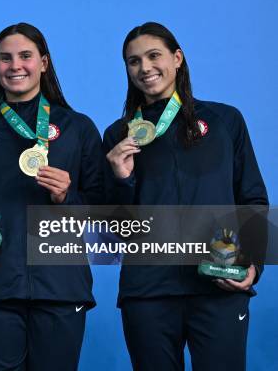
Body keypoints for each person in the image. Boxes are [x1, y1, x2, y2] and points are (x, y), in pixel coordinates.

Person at [103, 22, 268, 370]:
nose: (145, 68)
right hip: (148, 292)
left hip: (218, 285)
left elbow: (251, 199)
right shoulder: (119, 135)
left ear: (177, 58)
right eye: (133, 61)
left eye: (153, 56)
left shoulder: (225, 120)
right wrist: (121, 178)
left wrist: (252, 263)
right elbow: (115, 231)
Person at [0, 23, 103, 370]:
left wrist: (67, 198)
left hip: (62, 289)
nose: (15, 65)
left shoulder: (78, 128)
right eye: (5, 58)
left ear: (44, 63)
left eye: (25, 56)